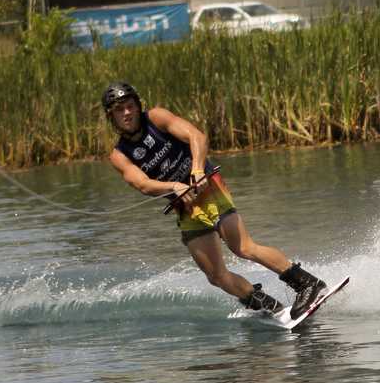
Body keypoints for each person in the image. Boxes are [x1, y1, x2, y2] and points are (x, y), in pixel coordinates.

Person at [102, 81, 327, 317]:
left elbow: (196, 136)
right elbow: (142, 184)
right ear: (112, 117)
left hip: (208, 187)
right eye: (119, 110)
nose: (126, 113)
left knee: (242, 247)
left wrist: (197, 169)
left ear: (138, 106)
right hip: (185, 206)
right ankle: (271, 308)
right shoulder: (119, 155)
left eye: (130, 106)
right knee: (215, 275)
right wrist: (174, 186)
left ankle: (307, 284)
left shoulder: (156, 118)